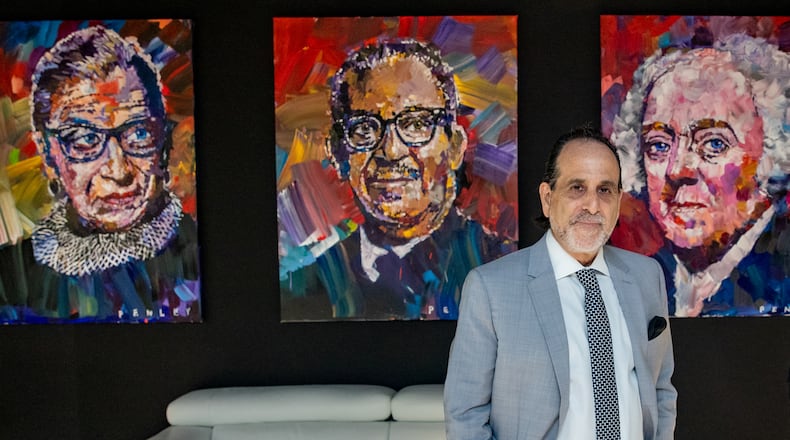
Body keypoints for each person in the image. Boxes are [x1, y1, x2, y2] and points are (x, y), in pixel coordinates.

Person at [444, 126, 677, 439]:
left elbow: (661, 389)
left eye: (605, 190)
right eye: (577, 188)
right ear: (547, 196)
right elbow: (465, 416)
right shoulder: (490, 290)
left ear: (618, 201)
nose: (592, 206)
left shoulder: (647, 277)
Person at [279, 39, 516, 320]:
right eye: (365, 129)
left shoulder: (503, 267)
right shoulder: (301, 285)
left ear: (454, 146)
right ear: (337, 153)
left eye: (416, 125)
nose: (391, 150)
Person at [0, 25, 200, 323]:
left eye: (139, 133)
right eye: (86, 140)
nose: (119, 170)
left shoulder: (196, 255)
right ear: (48, 152)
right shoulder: (12, 279)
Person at [609, 32, 790, 317]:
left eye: (714, 144)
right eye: (658, 145)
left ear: (773, 155)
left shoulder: (782, 278)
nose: (677, 168)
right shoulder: (634, 279)